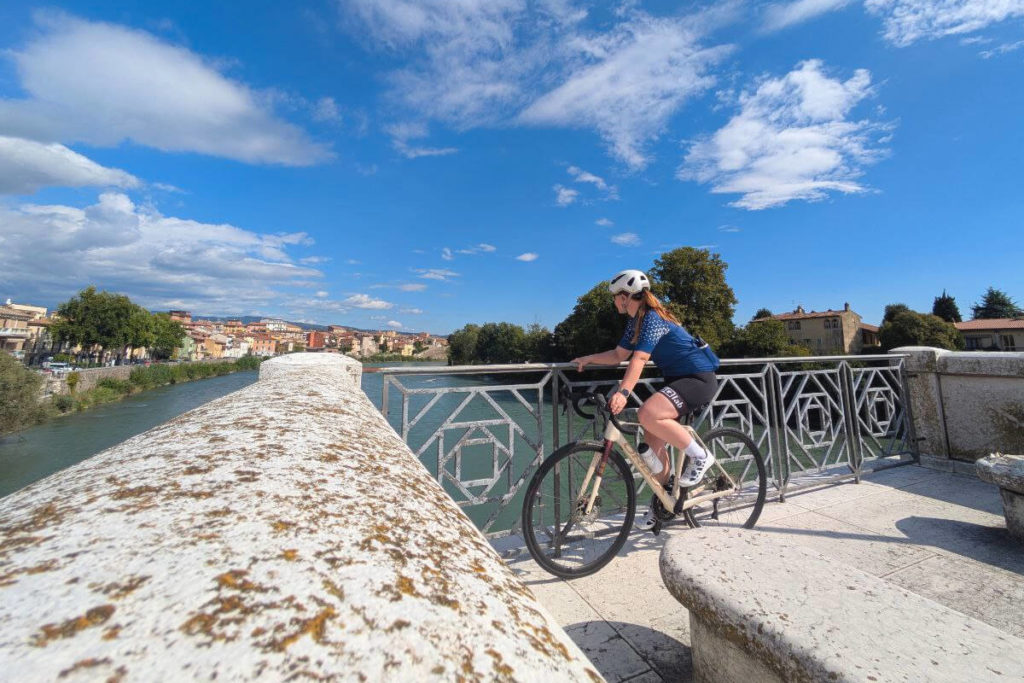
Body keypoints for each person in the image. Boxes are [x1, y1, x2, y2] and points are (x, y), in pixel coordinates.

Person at [571, 269, 720, 531]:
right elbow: (619, 355)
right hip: (676, 381)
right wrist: (588, 358)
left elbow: (639, 359)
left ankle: (700, 456)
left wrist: (623, 393)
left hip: (698, 378)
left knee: (647, 414)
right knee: (653, 447)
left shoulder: (653, 318)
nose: (614, 301)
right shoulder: (635, 322)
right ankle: (664, 502)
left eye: (615, 297)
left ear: (625, 297)